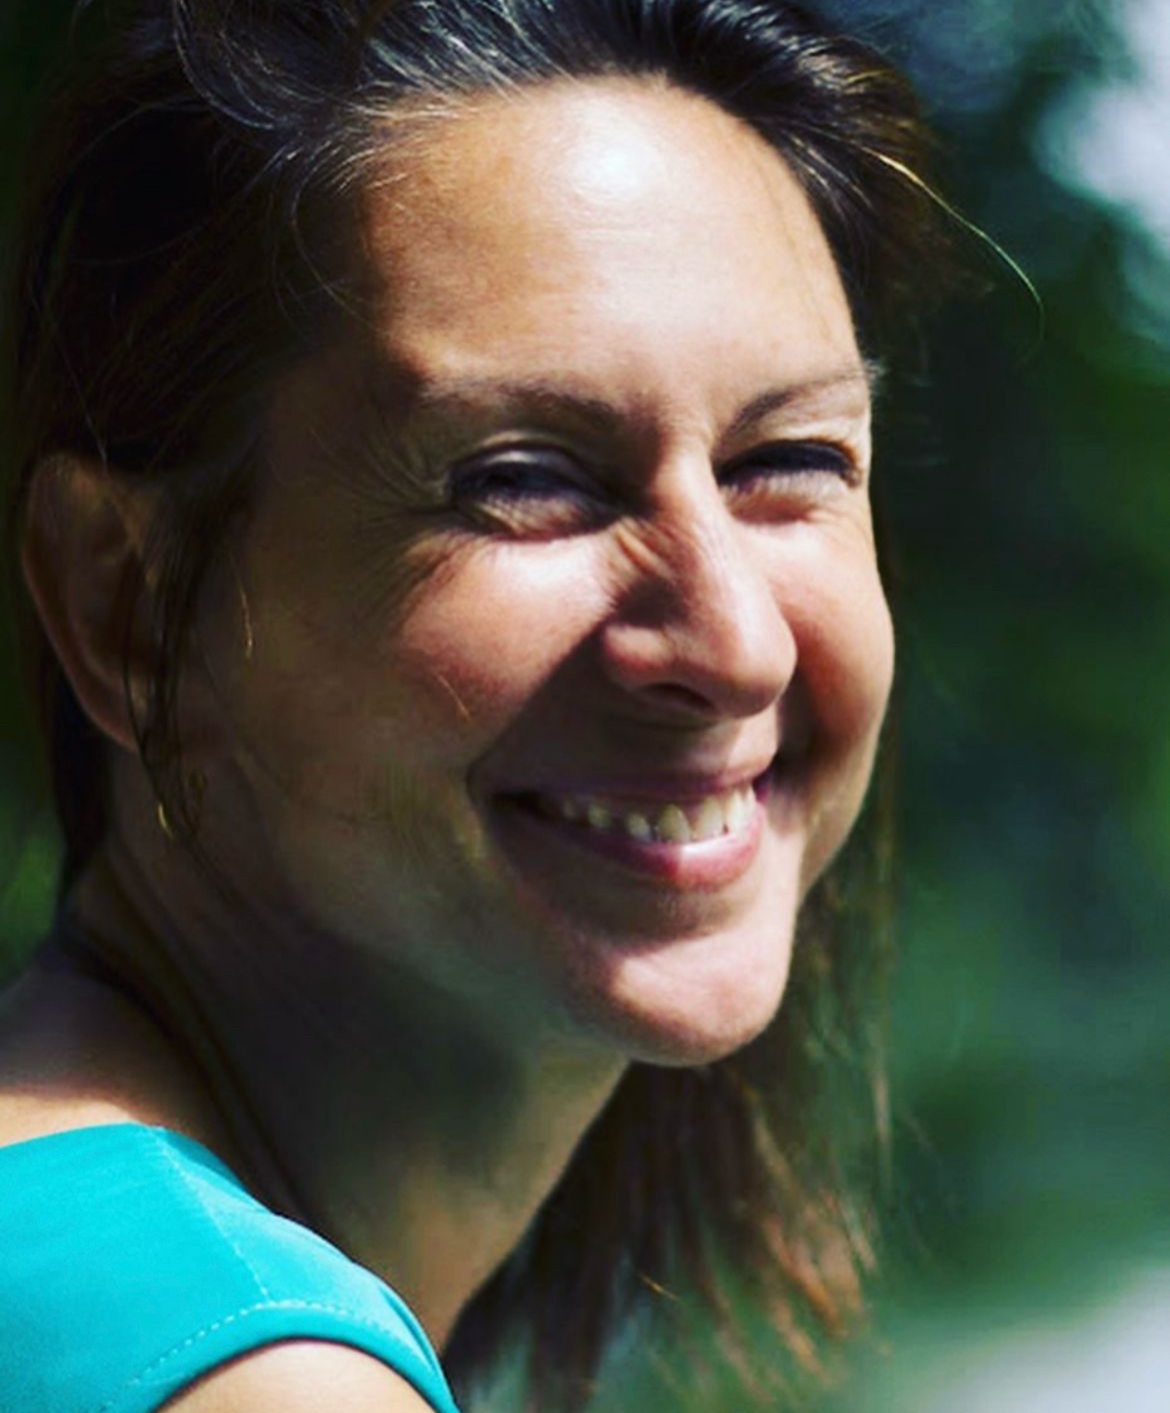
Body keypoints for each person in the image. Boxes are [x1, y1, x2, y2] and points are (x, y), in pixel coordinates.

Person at [1, 0, 948, 1409]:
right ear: (129, 607)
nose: (737, 645)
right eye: (522, 479)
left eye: (789, 459)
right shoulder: (261, 1380)